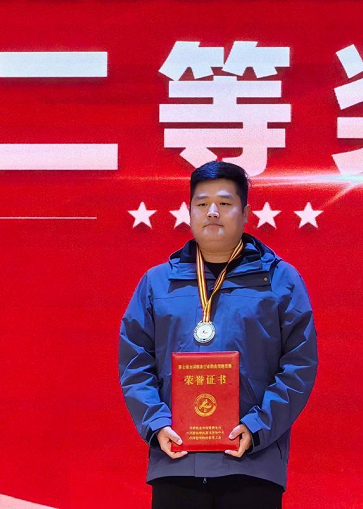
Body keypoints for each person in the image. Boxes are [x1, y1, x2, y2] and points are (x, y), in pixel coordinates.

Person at [118, 160, 318, 508]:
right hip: (176, 459)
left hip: (252, 461)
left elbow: (299, 365)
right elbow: (135, 363)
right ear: (189, 212)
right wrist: (157, 424)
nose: (212, 212)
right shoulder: (156, 283)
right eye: (202, 203)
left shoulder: (280, 281)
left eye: (225, 203)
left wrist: (257, 427)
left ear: (246, 213)